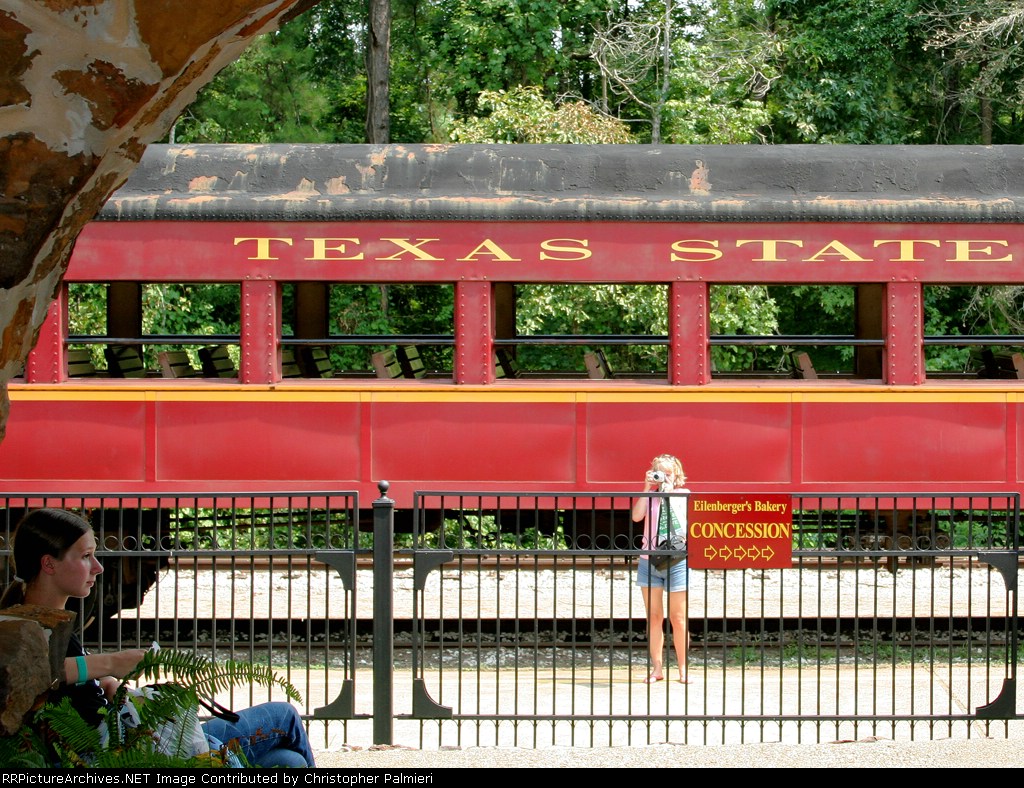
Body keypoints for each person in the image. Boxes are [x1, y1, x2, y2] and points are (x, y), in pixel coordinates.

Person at [0, 508, 316, 768]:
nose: (97, 567)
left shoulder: (43, 622)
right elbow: (36, 674)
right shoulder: (27, 631)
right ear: (49, 564)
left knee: (287, 760)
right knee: (285, 717)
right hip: (127, 756)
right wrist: (108, 663)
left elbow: (65, 684)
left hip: (131, 744)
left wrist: (105, 683)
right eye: (85, 556)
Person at [630, 454, 691, 684]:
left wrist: (669, 492)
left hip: (677, 560)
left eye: (668, 473)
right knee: (654, 617)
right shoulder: (651, 496)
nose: (663, 477)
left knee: (678, 618)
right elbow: (637, 517)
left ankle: (683, 669)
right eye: (659, 472)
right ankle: (657, 669)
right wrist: (647, 487)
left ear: (676, 474)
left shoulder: (684, 496)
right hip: (649, 560)